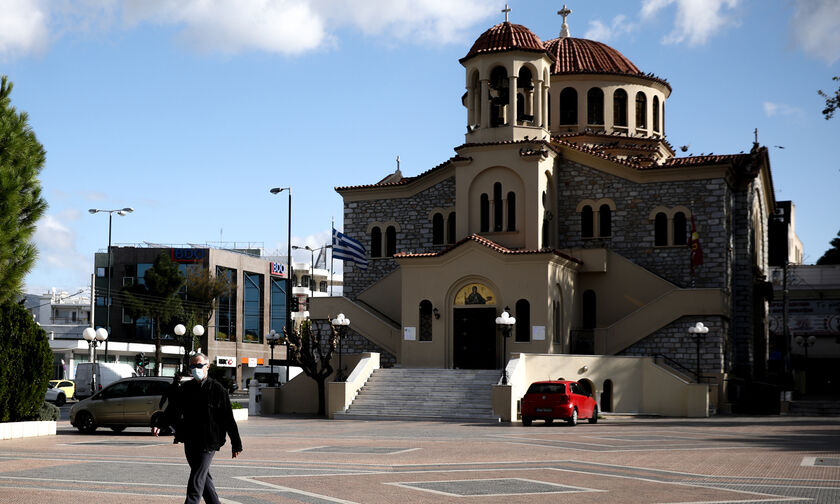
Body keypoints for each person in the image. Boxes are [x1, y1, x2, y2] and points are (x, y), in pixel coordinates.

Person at [153, 352, 242, 504]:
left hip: (209, 441)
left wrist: (236, 443)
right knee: (202, 476)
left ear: (207, 366)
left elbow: (228, 418)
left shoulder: (217, 389)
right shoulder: (186, 388)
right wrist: (160, 424)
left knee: (196, 478)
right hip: (190, 439)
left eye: (199, 365)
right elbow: (174, 410)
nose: (196, 368)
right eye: (193, 366)